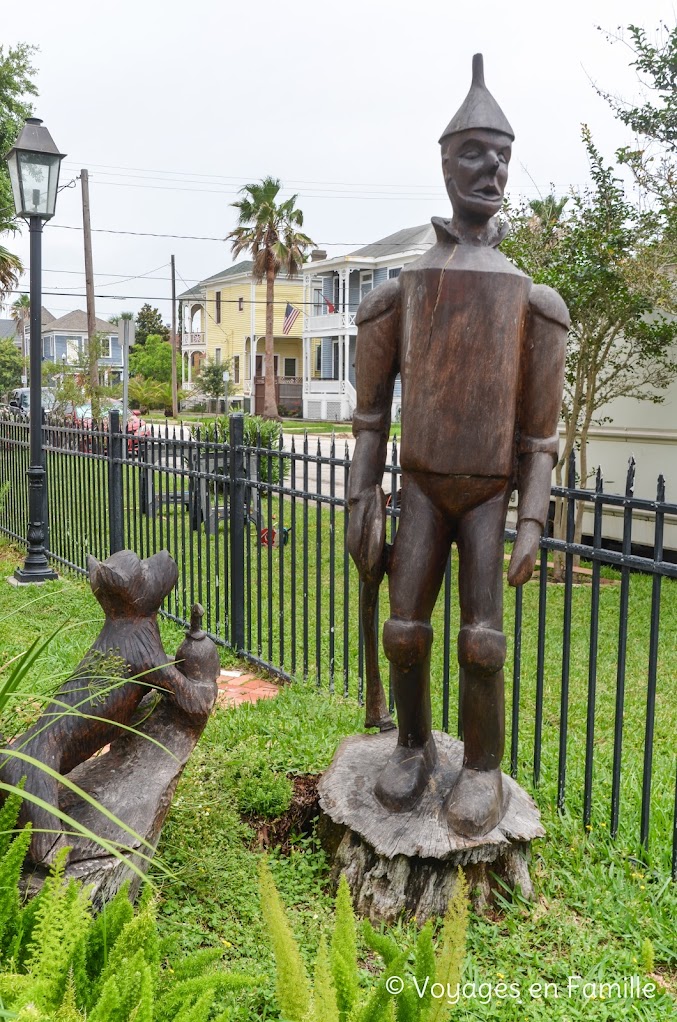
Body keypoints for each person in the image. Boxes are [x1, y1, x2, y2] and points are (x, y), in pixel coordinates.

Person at [347, 54, 568, 838]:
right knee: (403, 629)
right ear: (444, 163)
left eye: (502, 154)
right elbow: (369, 415)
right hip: (419, 489)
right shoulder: (401, 292)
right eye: (474, 152)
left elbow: (540, 433)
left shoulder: (532, 302)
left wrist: (533, 521)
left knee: (482, 641)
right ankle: (409, 745)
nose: (491, 167)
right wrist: (360, 497)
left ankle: (480, 764)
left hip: (485, 495)